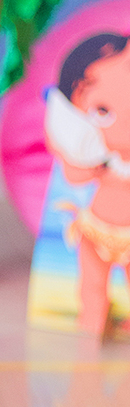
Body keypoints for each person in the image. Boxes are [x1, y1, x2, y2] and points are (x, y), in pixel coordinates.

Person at [44, 32, 130, 336]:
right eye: (102, 111)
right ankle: (92, 321)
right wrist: (71, 150)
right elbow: (74, 176)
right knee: (92, 285)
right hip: (95, 229)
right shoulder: (95, 156)